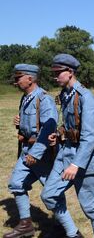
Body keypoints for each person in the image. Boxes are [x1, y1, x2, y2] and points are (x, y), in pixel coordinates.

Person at [41, 54, 94, 238]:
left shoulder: (86, 97)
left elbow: (90, 136)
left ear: (70, 72)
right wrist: (61, 132)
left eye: (58, 73)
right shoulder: (65, 95)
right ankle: (73, 233)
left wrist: (76, 164)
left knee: (91, 207)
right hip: (66, 153)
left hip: (86, 158)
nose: (55, 77)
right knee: (48, 194)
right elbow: (71, 123)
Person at [4, 64, 58, 238]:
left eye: (19, 77)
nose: (16, 81)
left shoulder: (43, 99)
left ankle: (65, 226)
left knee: (51, 190)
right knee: (16, 184)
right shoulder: (25, 98)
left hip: (39, 153)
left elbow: (49, 128)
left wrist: (36, 153)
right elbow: (32, 125)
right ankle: (26, 225)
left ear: (30, 78)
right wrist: (20, 125)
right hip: (26, 150)